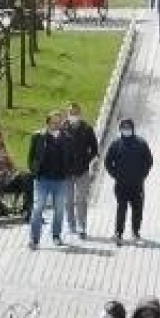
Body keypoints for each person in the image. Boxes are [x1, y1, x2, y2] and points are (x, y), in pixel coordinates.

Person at [106, 118, 154, 246]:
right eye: (124, 127)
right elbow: (108, 162)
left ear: (133, 128)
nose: (126, 129)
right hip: (121, 184)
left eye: (128, 127)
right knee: (121, 208)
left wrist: (142, 175)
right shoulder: (116, 144)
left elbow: (148, 161)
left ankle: (136, 232)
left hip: (137, 184)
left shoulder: (141, 143)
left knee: (137, 209)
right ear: (120, 129)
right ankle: (118, 233)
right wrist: (115, 175)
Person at [28, 111, 72, 250]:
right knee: (37, 209)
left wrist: (68, 172)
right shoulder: (38, 137)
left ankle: (56, 236)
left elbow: (70, 158)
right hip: (43, 180)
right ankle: (34, 239)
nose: (56, 124)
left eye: (58, 122)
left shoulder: (66, 138)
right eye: (53, 122)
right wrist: (34, 171)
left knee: (59, 210)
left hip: (60, 180)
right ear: (47, 123)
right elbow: (31, 157)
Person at [64, 102, 101, 239]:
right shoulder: (62, 128)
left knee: (81, 199)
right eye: (71, 113)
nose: (74, 115)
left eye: (76, 113)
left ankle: (82, 226)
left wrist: (87, 159)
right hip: (66, 172)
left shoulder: (87, 128)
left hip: (82, 171)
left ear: (80, 114)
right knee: (68, 200)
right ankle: (71, 225)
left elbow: (94, 149)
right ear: (67, 114)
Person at [0, 126, 34, 218]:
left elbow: (13, 167)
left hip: (7, 179)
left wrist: (9, 162)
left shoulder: (4, 149)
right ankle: (23, 209)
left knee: (27, 177)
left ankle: (28, 209)